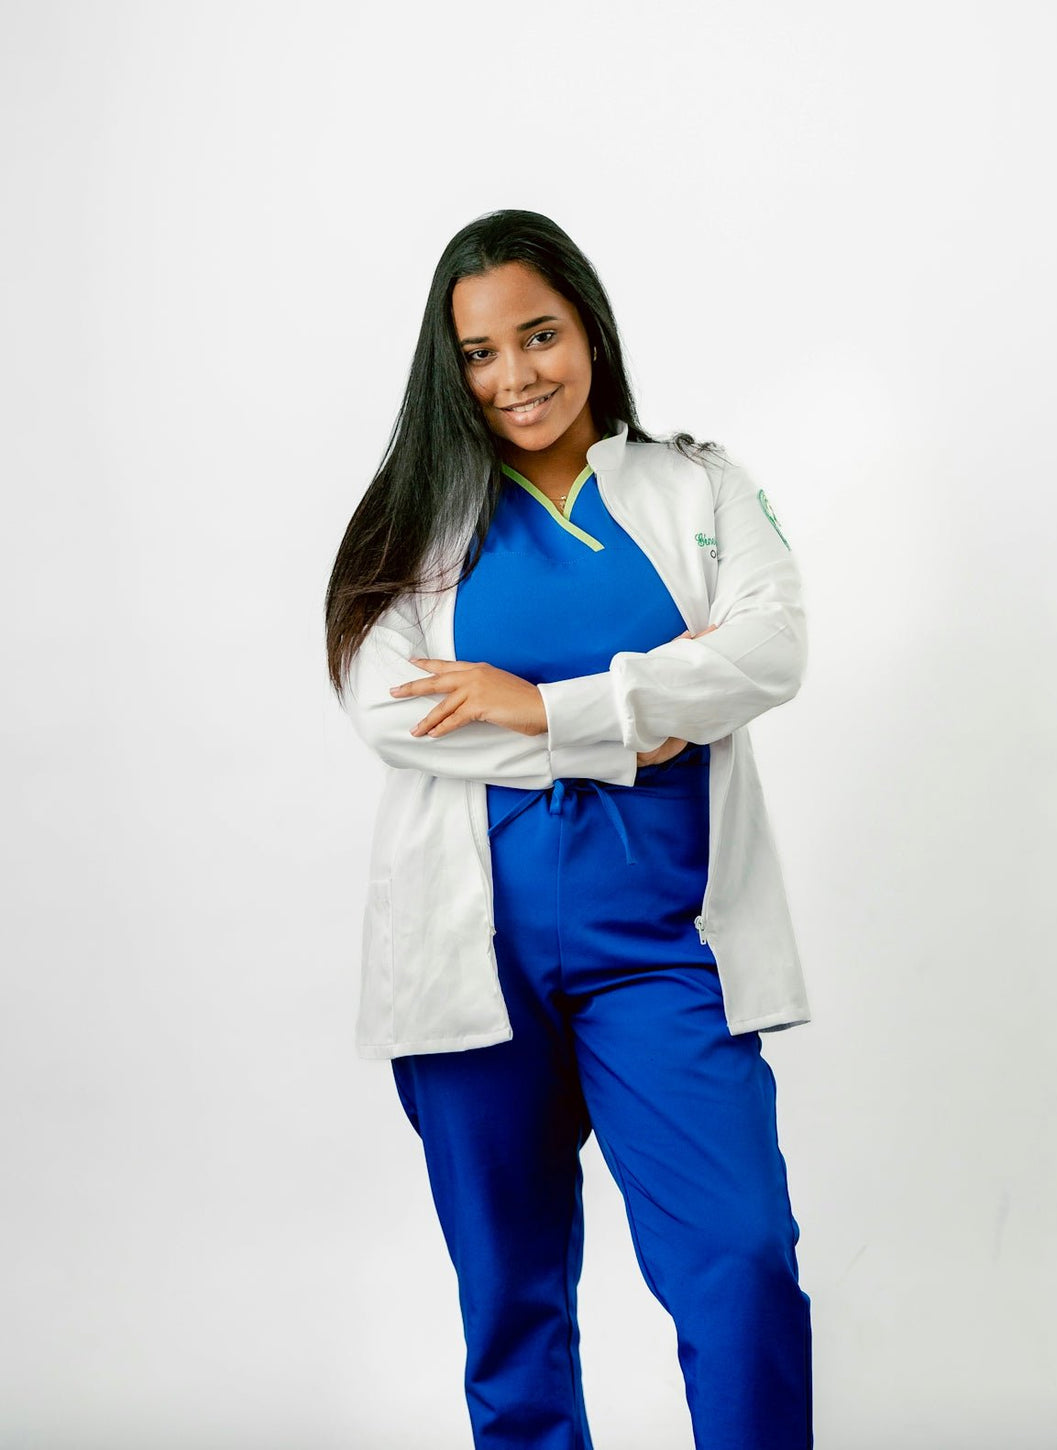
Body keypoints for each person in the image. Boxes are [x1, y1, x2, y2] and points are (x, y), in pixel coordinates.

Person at [324, 208, 813, 1450]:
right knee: (511, 1304)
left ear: (587, 326)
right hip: (472, 957)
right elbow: (391, 712)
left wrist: (540, 705)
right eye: (479, 354)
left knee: (741, 1257)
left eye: (537, 335)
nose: (515, 375)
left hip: (662, 950)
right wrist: (636, 720)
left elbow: (766, 650)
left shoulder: (697, 484)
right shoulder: (414, 517)